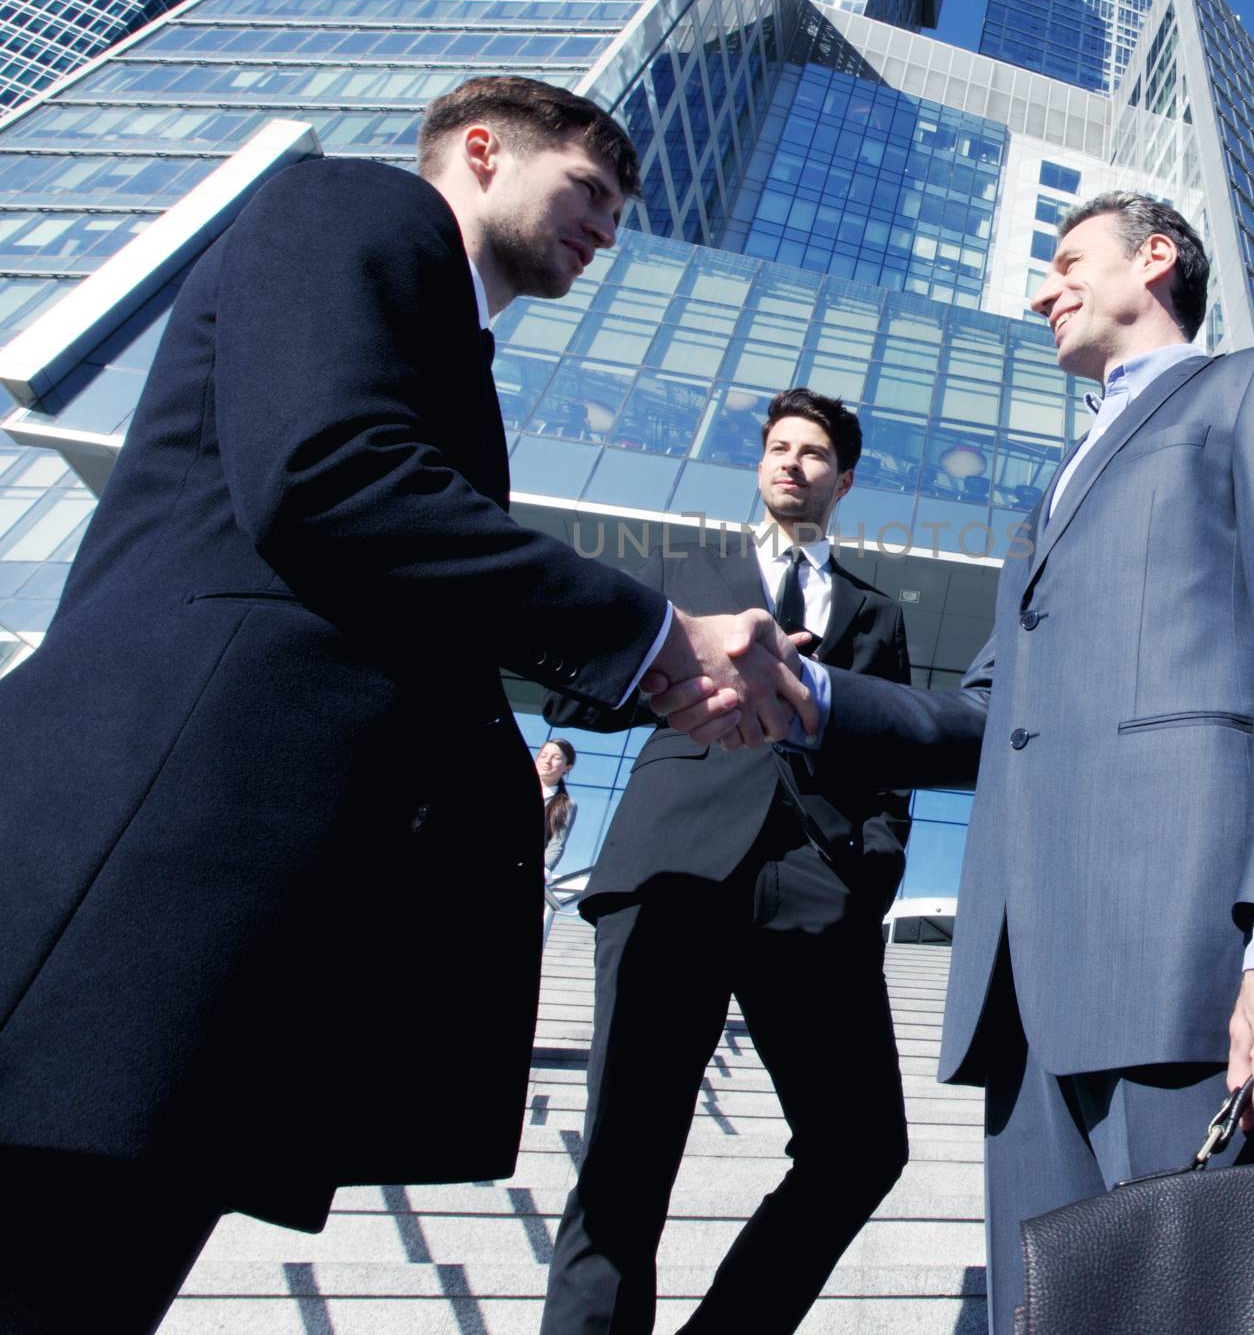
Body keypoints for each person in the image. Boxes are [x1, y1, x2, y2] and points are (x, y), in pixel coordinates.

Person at [0, 75, 813, 1335]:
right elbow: (331, 481)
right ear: (480, 151)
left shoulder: (446, 343)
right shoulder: (352, 211)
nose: (607, 229)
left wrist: (656, 679)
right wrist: (654, 635)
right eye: (588, 191)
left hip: (226, 917)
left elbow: (411, 600)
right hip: (144, 870)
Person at [649, 193, 1254, 1331]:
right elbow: (984, 719)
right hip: (1026, 1000)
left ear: (1155, 259)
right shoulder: (1048, 497)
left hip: (1199, 974)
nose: (1042, 290)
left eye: (1064, 263)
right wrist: (807, 700)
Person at [539, 388, 913, 1335]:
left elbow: (895, 758)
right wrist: (677, 665)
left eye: (814, 452)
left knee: (863, 1149)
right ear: (760, 467)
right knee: (626, 1159)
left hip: (818, 893)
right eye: (778, 448)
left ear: (845, 478)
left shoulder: (875, 613)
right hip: (676, 874)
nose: (792, 462)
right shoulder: (683, 569)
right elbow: (575, 696)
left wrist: (871, 872)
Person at [539, 737, 578, 878]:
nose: (547, 761)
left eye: (555, 758)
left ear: (568, 767)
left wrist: (544, 869)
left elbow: (557, 843)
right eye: (543, 756)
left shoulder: (565, 805)